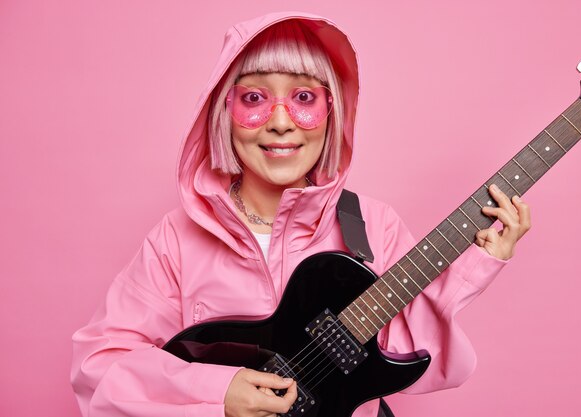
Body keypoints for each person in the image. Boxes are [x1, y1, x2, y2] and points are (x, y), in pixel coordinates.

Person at [71, 11, 530, 417]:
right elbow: (100, 368)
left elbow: (416, 357)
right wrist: (217, 392)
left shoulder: (373, 225)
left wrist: (475, 265)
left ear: (333, 112)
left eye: (304, 98)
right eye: (254, 99)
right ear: (224, 111)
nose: (281, 121)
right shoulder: (175, 238)